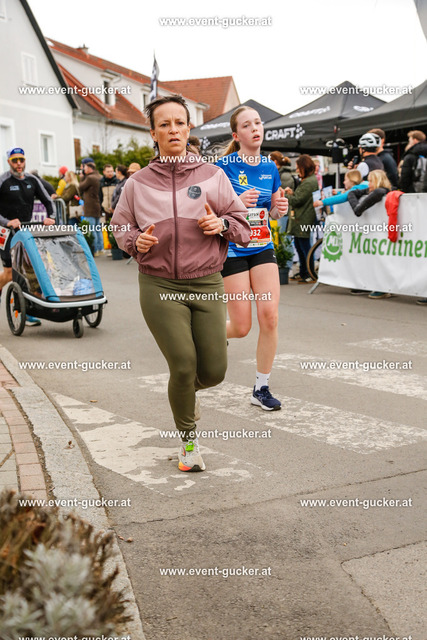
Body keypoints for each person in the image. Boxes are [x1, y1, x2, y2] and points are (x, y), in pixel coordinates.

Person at [111, 95, 251, 472]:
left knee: (214, 372)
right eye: (164, 124)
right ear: (153, 133)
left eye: (179, 123)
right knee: (184, 365)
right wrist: (134, 241)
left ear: (189, 129)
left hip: (207, 282)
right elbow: (119, 226)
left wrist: (222, 223)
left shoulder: (213, 176)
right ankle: (189, 444)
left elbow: (243, 227)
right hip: (159, 286)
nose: (173, 129)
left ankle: (186, 395)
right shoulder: (137, 183)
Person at [216, 106, 289, 411]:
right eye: (247, 125)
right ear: (236, 135)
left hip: (261, 246)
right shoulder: (222, 167)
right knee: (242, 326)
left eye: (258, 123)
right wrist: (235, 202)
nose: (255, 128)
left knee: (269, 316)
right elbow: (209, 209)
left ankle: (261, 387)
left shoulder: (270, 167)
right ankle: (205, 332)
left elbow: (270, 211)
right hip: (232, 249)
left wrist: (278, 209)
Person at [0, 147, 55, 326]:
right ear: (9, 162)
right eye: (15, 160)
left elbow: (48, 201)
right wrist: (7, 222)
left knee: (32, 269)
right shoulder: (3, 181)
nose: (18, 164)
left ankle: (27, 310)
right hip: (6, 232)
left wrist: (51, 217)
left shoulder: (33, 180)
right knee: (10, 273)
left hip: (25, 231)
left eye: (21, 160)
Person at [348, 170, 392, 300]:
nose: (369, 184)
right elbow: (352, 193)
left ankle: (384, 287)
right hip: (377, 231)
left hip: (383, 231)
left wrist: (357, 206)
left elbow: (358, 210)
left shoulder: (379, 192)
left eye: (371, 181)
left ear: (378, 181)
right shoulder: (373, 191)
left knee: (383, 258)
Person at [284, 155, 318, 283]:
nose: (297, 170)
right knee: (300, 246)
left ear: (304, 167)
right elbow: (300, 197)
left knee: (305, 248)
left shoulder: (308, 182)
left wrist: (285, 195)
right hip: (302, 217)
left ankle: (309, 273)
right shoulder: (309, 180)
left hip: (303, 218)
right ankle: (304, 272)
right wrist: (292, 193)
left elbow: (297, 200)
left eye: (298, 168)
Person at [79, 158, 103, 257]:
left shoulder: (90, 178)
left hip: (90, 206)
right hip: (97, 205)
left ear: (89, 168)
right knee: (98, 228)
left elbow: (81, 187)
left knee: (92, 228)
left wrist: (81, 178)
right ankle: (100, 248)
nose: (83, 170)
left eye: (84, 168)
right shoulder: (99, 176)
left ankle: (95, 249)